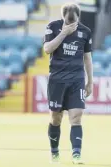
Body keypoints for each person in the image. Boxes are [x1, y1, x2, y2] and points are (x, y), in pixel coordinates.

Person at [43, 3, 93, 164]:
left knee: (76, 117)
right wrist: (64, 33)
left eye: (73, 23)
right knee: (56, 118)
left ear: (79, 18)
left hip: (76, 79)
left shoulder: (85, 32)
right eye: (67, 22)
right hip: (57, 79)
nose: (71, 25)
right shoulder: (53, 27)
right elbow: (47, 49)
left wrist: (90, 81)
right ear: (63, 17)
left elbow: (87, 57)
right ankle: (54, 152)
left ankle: (76, 154)